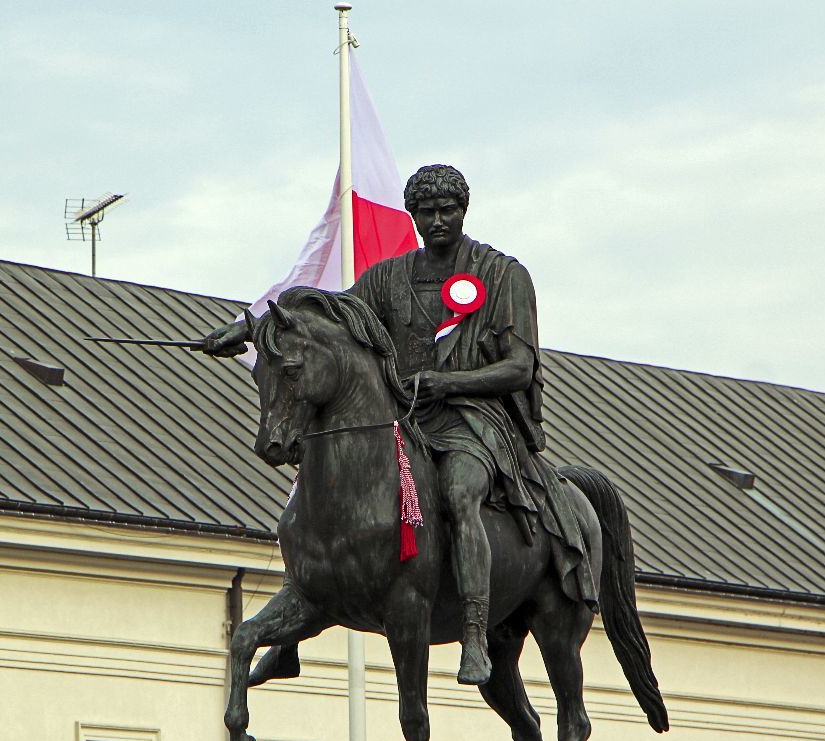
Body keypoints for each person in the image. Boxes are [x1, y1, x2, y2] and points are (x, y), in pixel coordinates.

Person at [204, 164, 593, 685]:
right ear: (412, 216)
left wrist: (450, 383)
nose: (437, 221)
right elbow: (320, 319)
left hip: (475, 420)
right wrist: (243, 330)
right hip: (403, 416)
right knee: (329, 482)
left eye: (447, 211)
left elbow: (520, 367)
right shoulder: (388, 279)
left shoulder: (502, 274)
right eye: (426, 212)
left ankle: (475, 631)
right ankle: (301, 615)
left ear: (464, 211)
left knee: (458, 491)